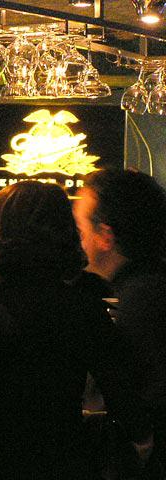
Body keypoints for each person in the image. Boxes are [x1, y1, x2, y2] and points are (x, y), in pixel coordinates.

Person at [0, 180, 154, 480]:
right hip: (66, 462)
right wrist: (140, 442)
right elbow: (122, 391)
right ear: (65, 237)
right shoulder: (83, 311)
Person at [73, 168, 166, 471]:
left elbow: (143, 399)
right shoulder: (146, 287)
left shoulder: (140, 302)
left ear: (105, 236)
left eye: (80, 229)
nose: (76, 240)